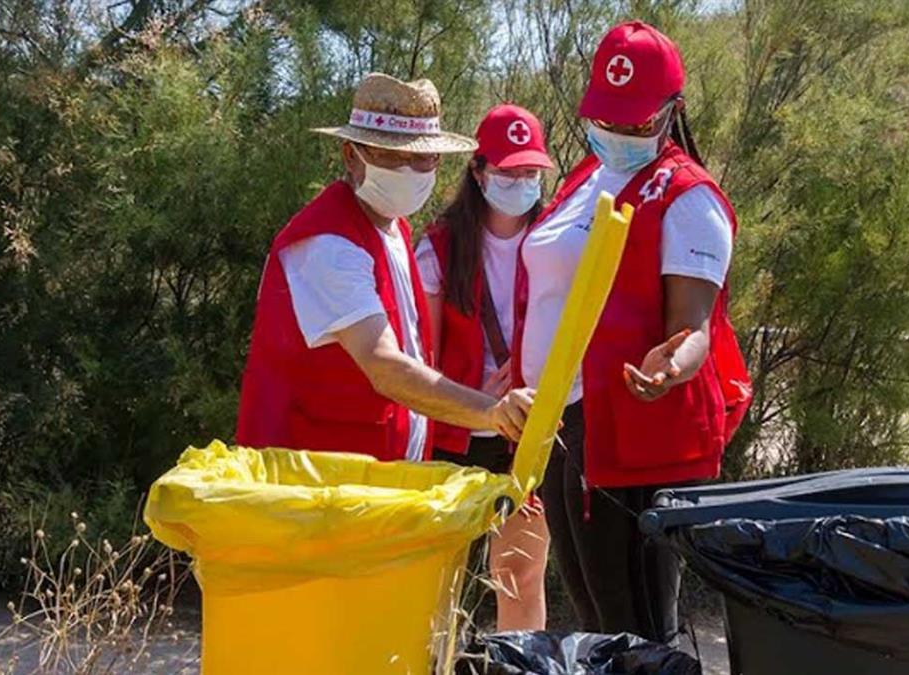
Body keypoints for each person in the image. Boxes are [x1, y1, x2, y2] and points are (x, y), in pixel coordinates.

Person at [510, 22, 753, 643]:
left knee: (636, 625)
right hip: (566, 425)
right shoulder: (587, 177)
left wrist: (672, 365)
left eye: (637, 123)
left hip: (636, 439)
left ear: (672, 113)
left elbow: (692, 327)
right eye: (607, 120)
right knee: (595, 619)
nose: (618, 135)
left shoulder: (689, 198)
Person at [236, 73, 536, 461]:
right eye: (392, 156)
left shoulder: (391, 228)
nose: (410, 169)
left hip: (370, 479)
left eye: (423, 157)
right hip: (314, 484)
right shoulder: (329, 245)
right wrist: (488, 411)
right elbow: (384, 366)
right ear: (351, 155)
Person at [415, 104, 554, 631]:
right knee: (437, 586)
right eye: (508, 171)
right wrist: (473, 395)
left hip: (526, 435)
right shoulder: (439, 247)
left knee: (519, 579)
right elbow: (420, 357)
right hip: (453, 435)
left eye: (531, 172)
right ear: (478, 173)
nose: (521, 182)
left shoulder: (556, 240)